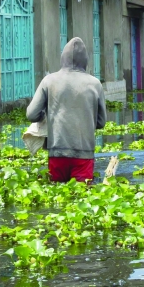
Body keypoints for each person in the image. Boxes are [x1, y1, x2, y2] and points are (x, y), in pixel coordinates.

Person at [26, 37, 106, 183]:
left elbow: (31, 114)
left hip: (57, 154)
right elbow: (101, 122)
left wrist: (47, 116)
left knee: (57, 197)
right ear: (85, 60)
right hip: (84, 156)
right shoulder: (95, 84)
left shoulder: (48, 81)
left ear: (63, 58)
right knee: (81, 198)